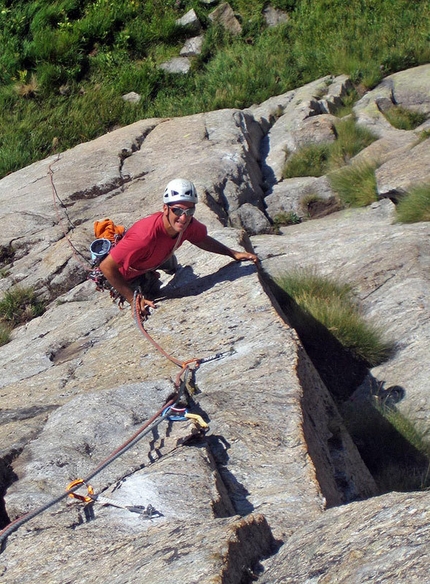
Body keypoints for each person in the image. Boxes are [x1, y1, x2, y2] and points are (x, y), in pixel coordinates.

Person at [99, 178, 259, 315]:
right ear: (165, 209)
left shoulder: (188, 225)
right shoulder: (144, 237)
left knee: (169, 260)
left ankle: (168, 268)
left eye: (190, 211)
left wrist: (232, 253)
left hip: (157, 256)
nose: (183, 217)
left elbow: (201, 239)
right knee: (153, 292)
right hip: (127, 274)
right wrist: (131, 299)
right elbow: (106, 267)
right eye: (177, 210)